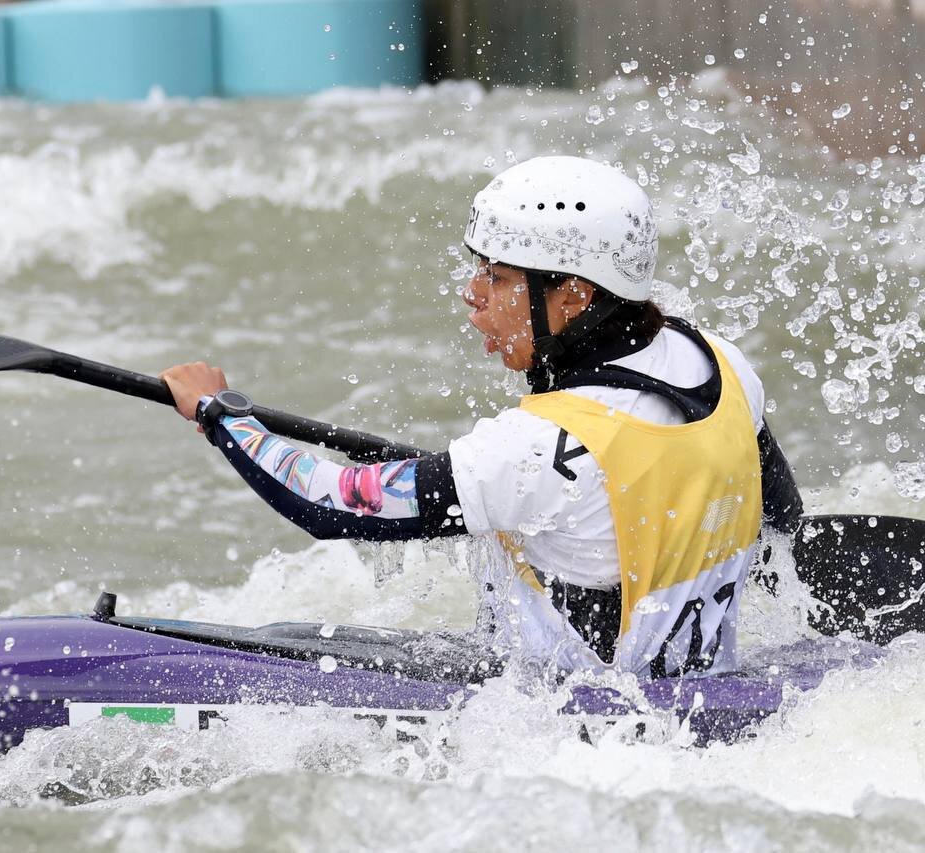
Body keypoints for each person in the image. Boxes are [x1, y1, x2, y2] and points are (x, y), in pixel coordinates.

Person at [161, 156, 802, 678]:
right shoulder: (718, 364)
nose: (471, 297)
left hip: (569, 720)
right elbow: (781, 518)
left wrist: (223, 416)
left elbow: (328, 506)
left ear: (574, 294)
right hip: (698, 693)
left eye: (495, 278)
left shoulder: (534, 449)